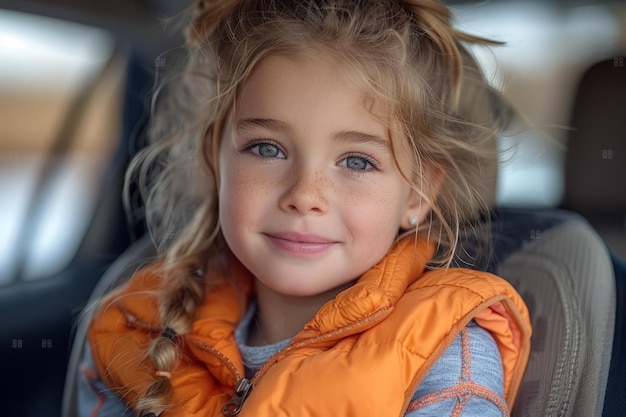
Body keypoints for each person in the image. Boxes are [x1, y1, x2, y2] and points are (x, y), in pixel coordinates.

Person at [80, 1, 532, 416]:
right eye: (267, 149)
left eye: (357, 161)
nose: (305, 194)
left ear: (416, 196)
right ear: (214, 159)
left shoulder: (442, 353)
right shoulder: (139, 331)